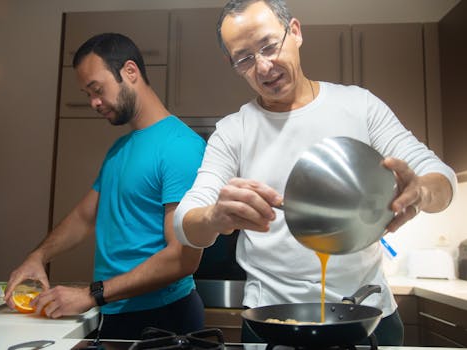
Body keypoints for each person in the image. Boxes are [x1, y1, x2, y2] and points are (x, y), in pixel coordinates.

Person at [173, 0, 457, 346]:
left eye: (268, 45)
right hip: (272, 322)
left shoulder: (359, 106)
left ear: (294, 31)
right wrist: (216, 216)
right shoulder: (234, 131)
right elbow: (184, 223)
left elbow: (440, 177)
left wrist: (423, 191)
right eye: (245, 58)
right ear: (232, 63)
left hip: (367, 316)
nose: (263, 67)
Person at [4, 33, 207, 339]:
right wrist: (37, 257)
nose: (94, 103)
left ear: (130, 71)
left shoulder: (181, 147)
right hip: (114, 311)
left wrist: (92, 294)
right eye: (87, 94)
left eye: (97, 90)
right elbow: (84, 217)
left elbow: (182, 258)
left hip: (163, 319)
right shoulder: (120, 149)